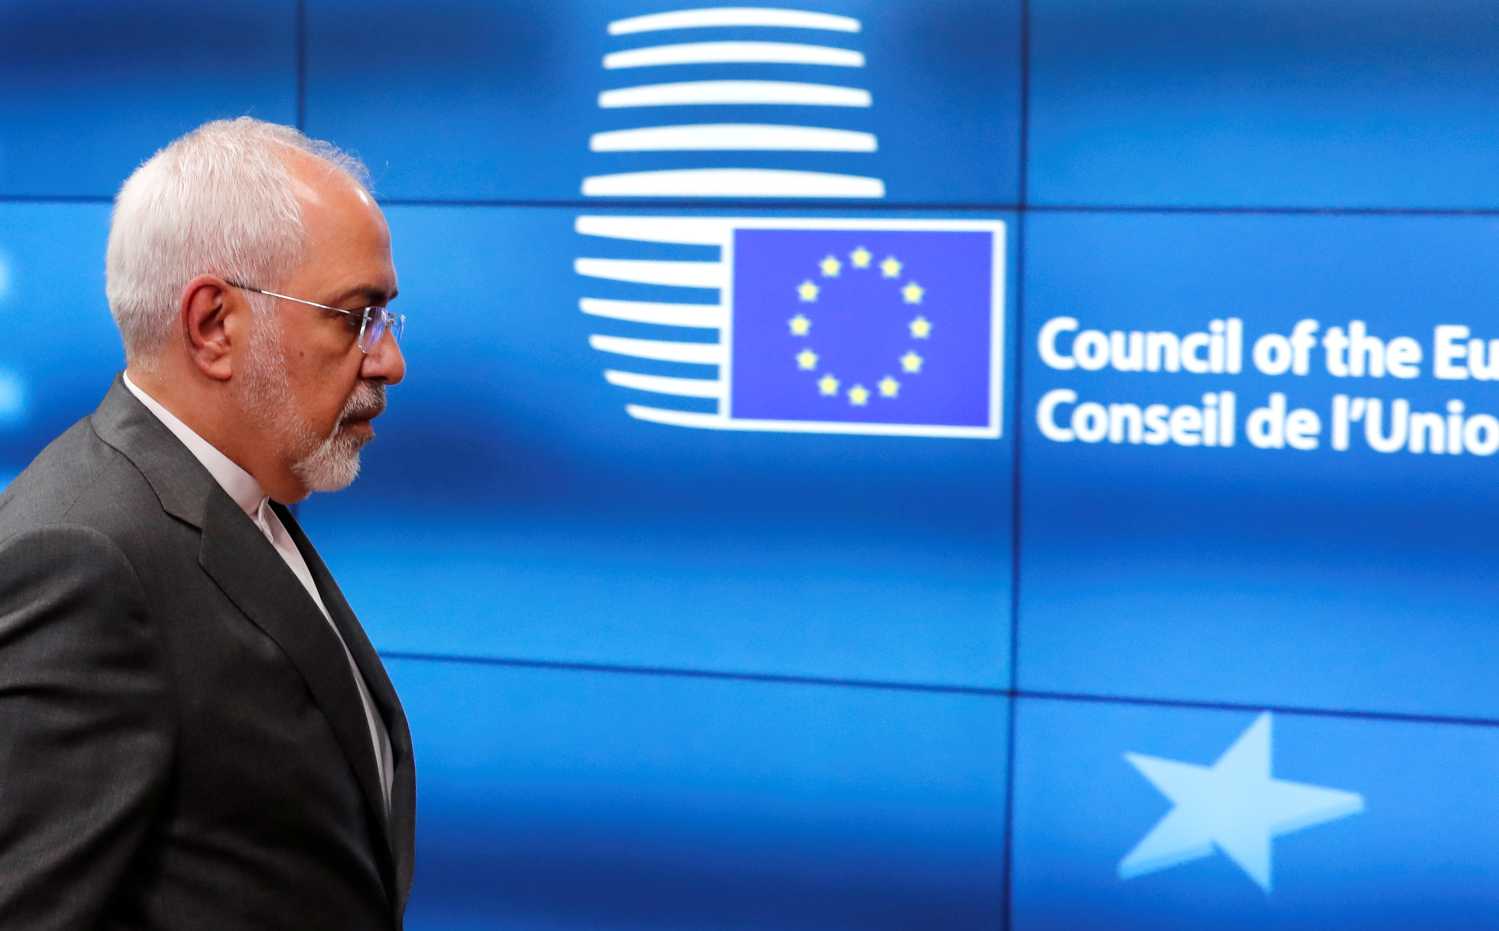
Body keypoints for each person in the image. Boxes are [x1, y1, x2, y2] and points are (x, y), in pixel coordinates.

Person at [0, 117, 414, 929]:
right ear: (213, 325)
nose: (389, 359)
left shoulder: (239, 488)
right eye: (354, 315)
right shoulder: (82, 557)